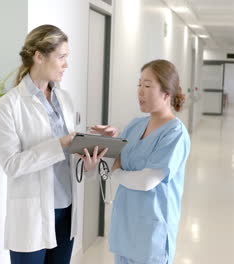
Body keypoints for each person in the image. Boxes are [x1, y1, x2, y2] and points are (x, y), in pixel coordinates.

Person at [0, 24, 111, 264]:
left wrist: (88, 158)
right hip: (32, 216)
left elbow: (70, 157)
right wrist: (59, 145)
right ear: (39, 57)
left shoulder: (65, 99)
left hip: (66, 211)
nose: (66, 64)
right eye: (61, 57)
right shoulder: (10, 104)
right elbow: (11, 164)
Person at [82, 59, 191, 264]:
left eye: (148, 86)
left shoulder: (175, 134)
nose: (140, 91)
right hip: (125, 228)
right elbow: (113, 163)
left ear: (166, 93)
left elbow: (146, 181)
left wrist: (116, 172)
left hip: (152, 235)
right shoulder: (134, 126)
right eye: (139, 84)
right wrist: (100, 153)